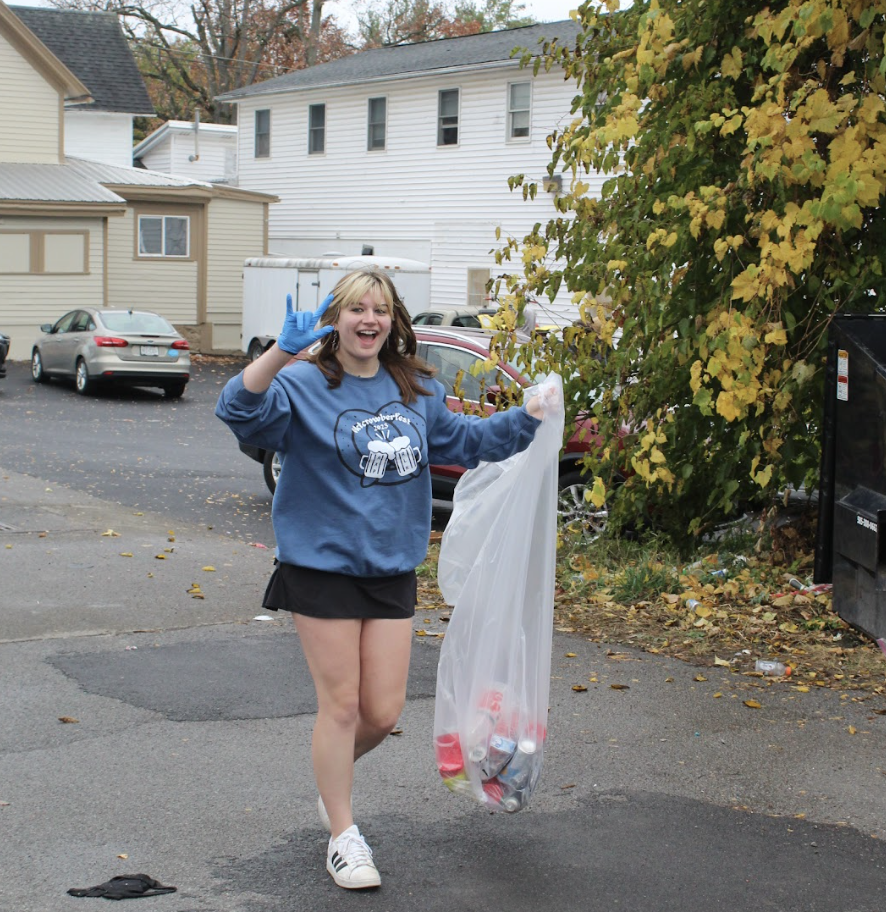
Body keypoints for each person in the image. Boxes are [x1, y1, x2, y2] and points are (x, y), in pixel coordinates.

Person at [215, 267, 546, 890]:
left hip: (391, 565)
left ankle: (330, 784)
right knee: (340, 708)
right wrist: (281, 353)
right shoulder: (304, 384)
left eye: (381, 309)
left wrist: (528, 417)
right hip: (322, 565)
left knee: (383, 710)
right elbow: (237, 409)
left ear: (394, 321)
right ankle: (343, 834)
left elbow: (467, 442)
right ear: (336, 318)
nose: (369, 320)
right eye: (356, 309)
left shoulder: (415, 388)